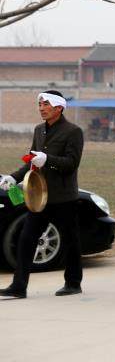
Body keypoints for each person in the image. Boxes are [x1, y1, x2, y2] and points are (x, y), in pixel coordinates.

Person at [0, 91, 84, 299]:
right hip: (39, 197)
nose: (41, 108)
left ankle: (73, 283)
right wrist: (14, 177)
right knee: (26, 238)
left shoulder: (73, 132)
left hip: (63, 197)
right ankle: (19, 286)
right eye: (39, 104)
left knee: (70, 240)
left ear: (58, 108)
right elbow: (31, 160)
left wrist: (48, 160)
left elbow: (71, 164)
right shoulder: (39, 130)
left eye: (45, 104)